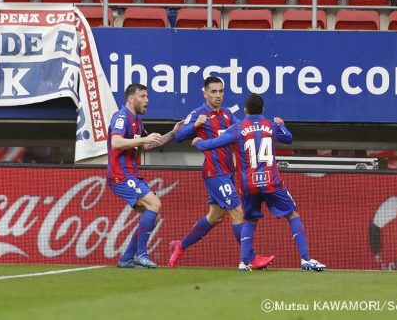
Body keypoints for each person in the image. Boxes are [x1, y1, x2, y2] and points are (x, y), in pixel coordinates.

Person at [192, 93, 327, 272]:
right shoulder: (271, 125)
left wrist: (199, 142)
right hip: (272, 182)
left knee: (249, 220)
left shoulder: (237, 128)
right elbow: (288, 138)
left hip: (249, 185)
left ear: (245, 110)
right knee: (292, 215)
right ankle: (306, 259)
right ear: (263, 109)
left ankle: (244, 262)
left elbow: (212, 144)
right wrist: (282, 125)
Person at [168, 76, 275, 269]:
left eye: (220, 91)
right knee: (237, 210)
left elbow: (244, 128)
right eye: (213, 92)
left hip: (228, 172)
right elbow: (179, 136)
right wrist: (195, 126)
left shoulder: (227, 115)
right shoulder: (198, 113)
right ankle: (249, 258)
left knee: (215, 216)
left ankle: (180, 246)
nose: (218, 96)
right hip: (214, 173)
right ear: (205, 93)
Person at [107, 83, 183, 269]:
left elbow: (148, 145)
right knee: (155, 204)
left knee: (154, 216)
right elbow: (116, 142)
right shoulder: (121, 117)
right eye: (143, 96)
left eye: (147, 97)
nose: (147, 101)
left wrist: (173, 133)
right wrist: (143, 139)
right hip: (120, 175)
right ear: (131, 99)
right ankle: (141, 254)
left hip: (131, 174)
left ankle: (126, 259)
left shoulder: (137, 122)